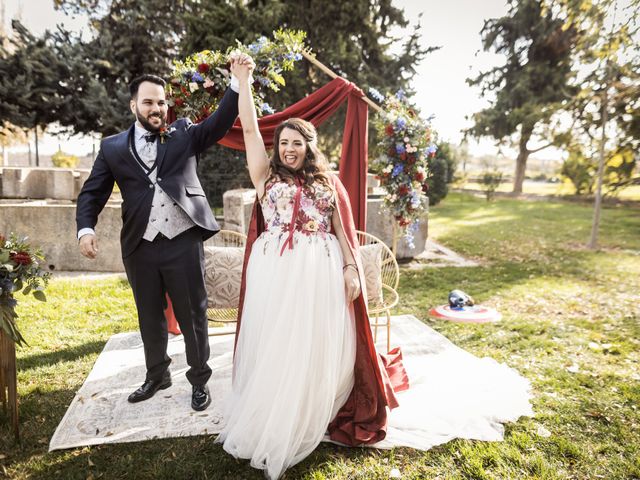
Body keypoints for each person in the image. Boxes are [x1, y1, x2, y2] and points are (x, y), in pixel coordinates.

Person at [216, 57, 406, 479]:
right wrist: (241, 83)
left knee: (314, 339)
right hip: (277, 270)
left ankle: (309, 406)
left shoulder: (327, 182)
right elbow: (249, 129)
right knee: (279, 340)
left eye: (296, 143)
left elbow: (343, 229)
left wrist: (353, 269)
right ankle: (276, 409)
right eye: (283, 142)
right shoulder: (265, 176)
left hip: (321, 269)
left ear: (309, 146)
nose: (289, 149)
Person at [75, 53, 255, 411]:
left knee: (192, 313)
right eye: (148, 102)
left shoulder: (184, 132)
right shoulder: (112, 147)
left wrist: (236, 82)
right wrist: (85, 228)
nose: (156, 108)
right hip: (139, 245)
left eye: (161, 102)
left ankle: (199, 379)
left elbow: (219, 123)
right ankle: (157, 374)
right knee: (148, 314)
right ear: (133, 105)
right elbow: (92, 192)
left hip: (182, 240)